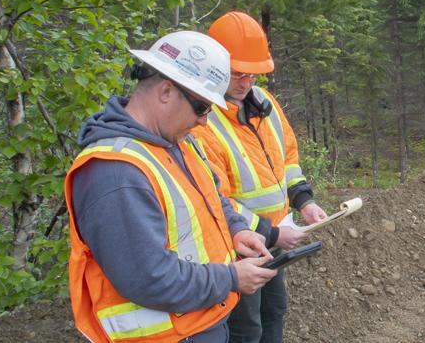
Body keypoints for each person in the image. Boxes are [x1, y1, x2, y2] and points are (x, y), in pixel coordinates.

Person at [64, 31, 279, 342]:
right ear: (166, 91)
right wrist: (231, 278)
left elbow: (211, 197)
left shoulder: (176, 142)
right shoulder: (115, 172)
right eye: (202, 107)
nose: (205, 121)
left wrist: (237, 230)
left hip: (200, 321)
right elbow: (149, 278)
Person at [191, 11, 327, 343]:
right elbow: (216, 198)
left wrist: (304, 201)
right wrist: (271, 232)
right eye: (239, 73)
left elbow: (288, 160)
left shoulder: (265, 103)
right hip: (236, 248)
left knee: (274, 312)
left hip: (273, 239)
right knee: (245, 327)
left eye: (254, 74)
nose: (247, 81)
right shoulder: (202, 122)